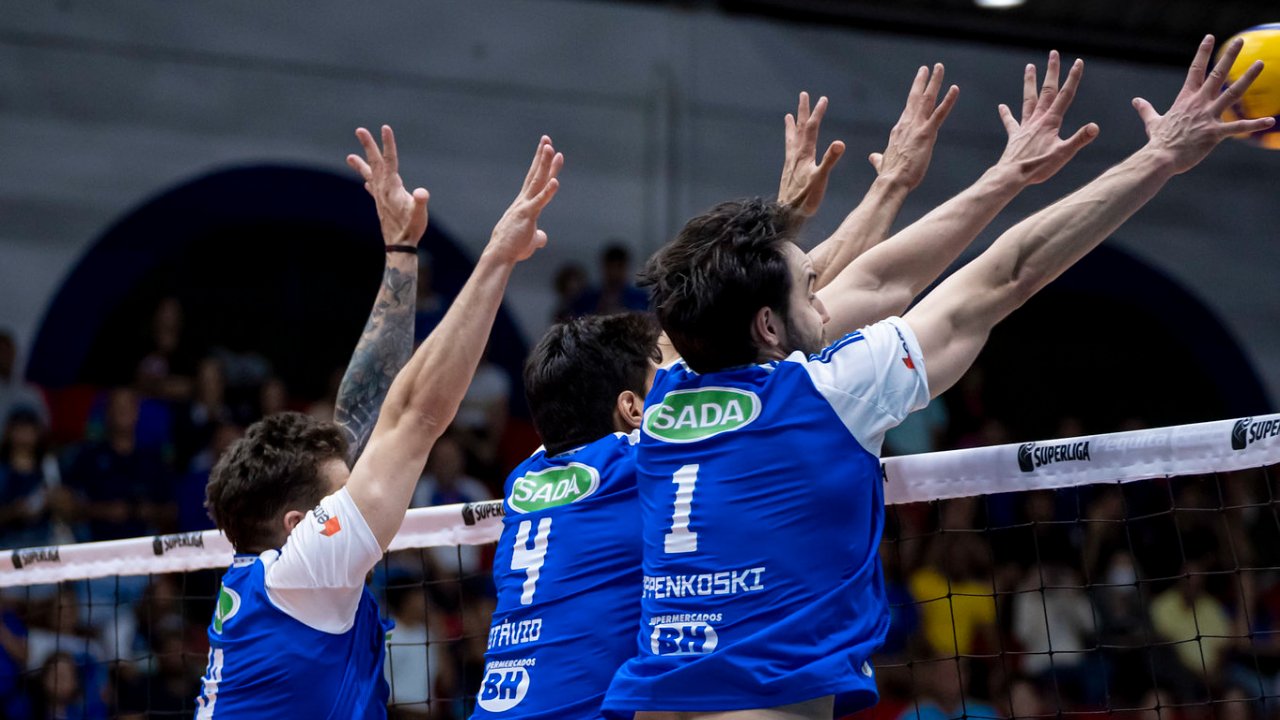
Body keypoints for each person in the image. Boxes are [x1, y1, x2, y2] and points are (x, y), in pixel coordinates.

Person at [605, 37, 1271, 719]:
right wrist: (1159, 157)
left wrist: (995, 178)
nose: (828, 299)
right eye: (811, 290)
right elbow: (1008, 273)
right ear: (769, 327)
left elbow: (877, 278)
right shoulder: (827, 394)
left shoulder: (663, 394)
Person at [474, 64, 979, 720]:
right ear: (631, 406)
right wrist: (879, 190)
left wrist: (782, 232)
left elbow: (775, 312)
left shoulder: (529, 483)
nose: (674, 384)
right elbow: (810, 310)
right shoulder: (650, 452)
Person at [194, 125, 562, 717]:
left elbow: (365, 417)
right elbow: (414, 417)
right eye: (348, 490)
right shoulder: (304, 572)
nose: (368, 485)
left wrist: (400, 255)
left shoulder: (274, 578)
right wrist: (498, 255)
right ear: (299, 526)